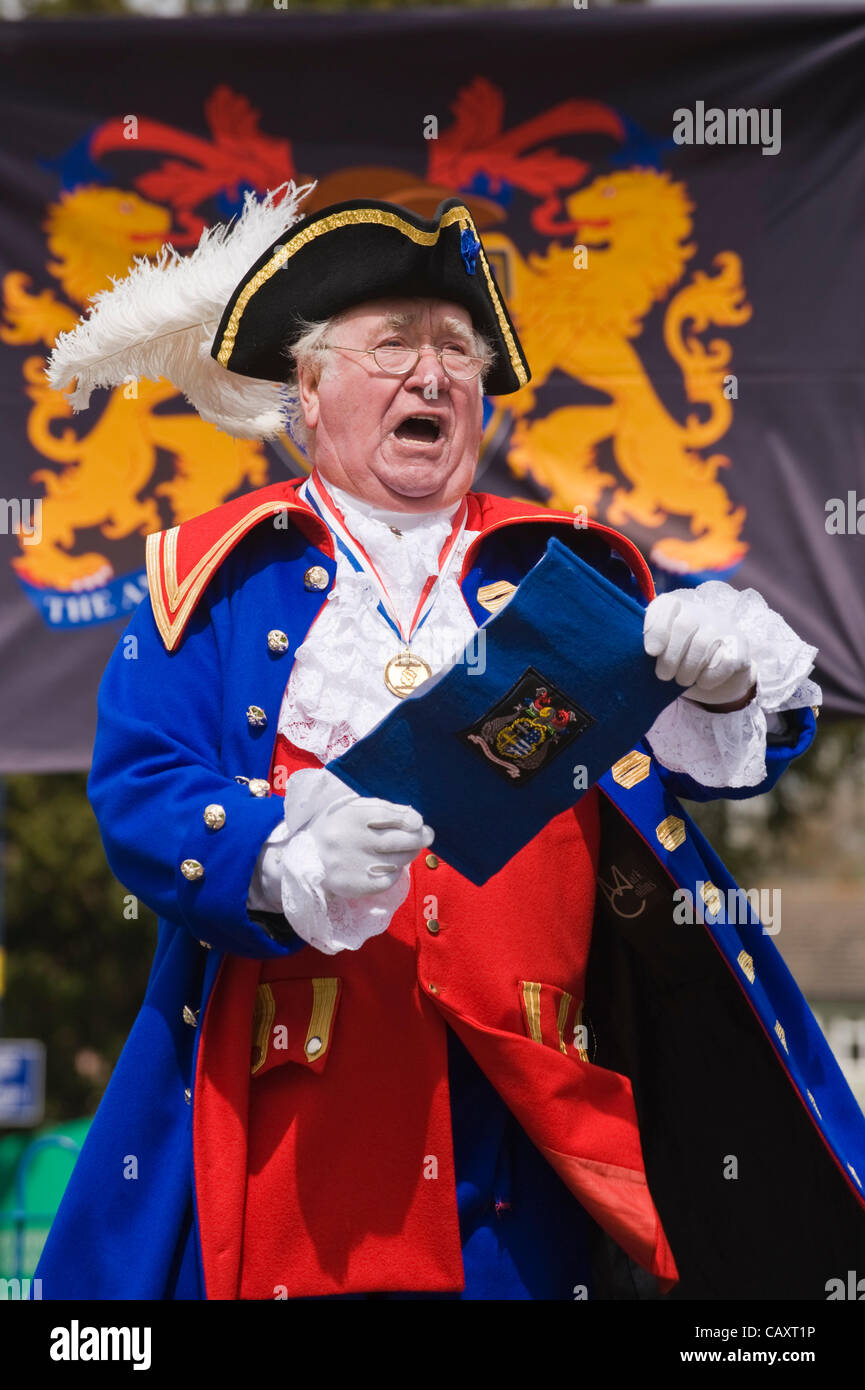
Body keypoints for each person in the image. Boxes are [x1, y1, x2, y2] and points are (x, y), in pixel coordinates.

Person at [37, 194, 865, 1301]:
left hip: (538, 1124)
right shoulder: (219, 579)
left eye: (456, 354)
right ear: (309, 390)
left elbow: (700, 759)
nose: (433, 376)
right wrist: (281, 853)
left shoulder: (564, 568)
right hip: (296, 1107)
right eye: (393, 347)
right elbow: (143, 791)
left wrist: (719, 683)